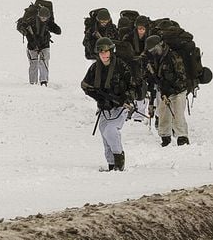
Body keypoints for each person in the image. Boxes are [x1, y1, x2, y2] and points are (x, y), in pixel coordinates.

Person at [81, 37, 136, 171]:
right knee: (104, 133)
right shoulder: (95, 68)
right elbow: (85, 85)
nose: (104, 55)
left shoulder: (121, 66)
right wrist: (98, 97)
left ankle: (119, 160)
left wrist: (125, 98)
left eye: (106, 51)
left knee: (111, 131)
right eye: (101, 52)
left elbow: (133, 86)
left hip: (120, 107)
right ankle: (111, 165)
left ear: (111, 51)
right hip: (104, 108)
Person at [144, 34, 190, 147]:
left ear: (160, 45)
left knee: (178, 115)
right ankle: (165, 138)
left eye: (155, 49)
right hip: (163, 91)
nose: (153, 52)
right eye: (151, 51)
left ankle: (182, 138)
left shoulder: (174, 56)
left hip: (179, 91)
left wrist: (171, 89)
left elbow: (182, 77)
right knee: (163, 114)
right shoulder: (154, 59)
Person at [18, 5, 61, 85]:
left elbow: (58, 31)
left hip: (44, 45)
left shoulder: (48, 22)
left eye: (46, 17)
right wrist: (32, 42)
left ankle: (43, 81)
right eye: (42, 17)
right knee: (34, 63)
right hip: (32, 45)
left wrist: (53, 27)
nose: (44, 19)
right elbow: (25, 31)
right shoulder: (31, 21)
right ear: (38, 15)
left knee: (44, 62)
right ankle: (33, 82)